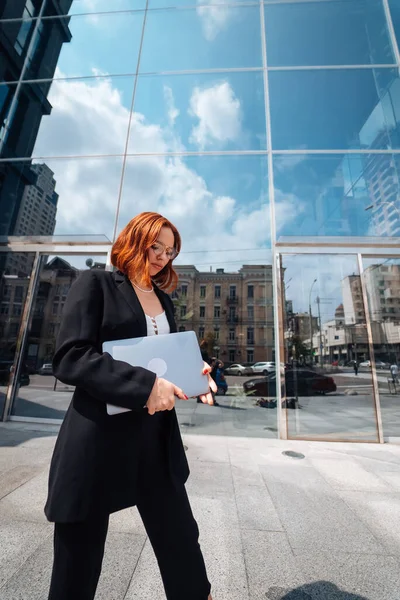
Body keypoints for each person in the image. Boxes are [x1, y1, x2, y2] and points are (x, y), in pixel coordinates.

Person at [45, 212, 216, 600]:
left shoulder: (165, 301)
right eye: (156, 245)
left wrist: (195, 370)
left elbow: (162, 357)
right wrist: (145, 387)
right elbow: (71, 357)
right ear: (135, 239)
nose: (162, 257)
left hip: (156, 443)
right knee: (78, 563)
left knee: (183, 547)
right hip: (99, 441)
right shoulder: (97, 284)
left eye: (169, 252)